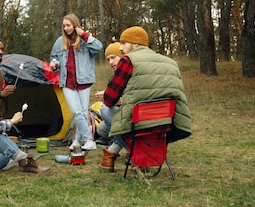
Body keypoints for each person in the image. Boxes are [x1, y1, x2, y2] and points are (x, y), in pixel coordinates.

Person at [99, 26, 192, 173]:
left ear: (135, 44)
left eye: (123, 43)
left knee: (104, 110)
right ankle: (120, 152)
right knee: (102, 127)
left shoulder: (128, 61)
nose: (121, 48)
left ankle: (132, 154)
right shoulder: (170, 62)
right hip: (166, 123)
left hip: (139, 123)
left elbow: (109, 100)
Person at [50, 14, 103, 151]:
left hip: (84, 81)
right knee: (76, 112)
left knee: (83, 113)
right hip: (67, 82)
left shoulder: (85, 40)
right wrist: (54, 64)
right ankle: (89, 139)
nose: (66, 28)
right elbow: (54, 57)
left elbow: (99, 47)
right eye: (64, 26)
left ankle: (78, 140)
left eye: (68, 25)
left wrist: (84, 34)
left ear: (75, 25)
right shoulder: (60, 41)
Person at [93, 42, 122, 146]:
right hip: (119, 112)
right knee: (100, 129)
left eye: (113, 58)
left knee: (105, 110)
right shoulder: (113, 78)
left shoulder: (131, 73)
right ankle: (117, 138)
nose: (111, 62)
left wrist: (121, 100)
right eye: (108, 59)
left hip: (131, 114)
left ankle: (120, 142)